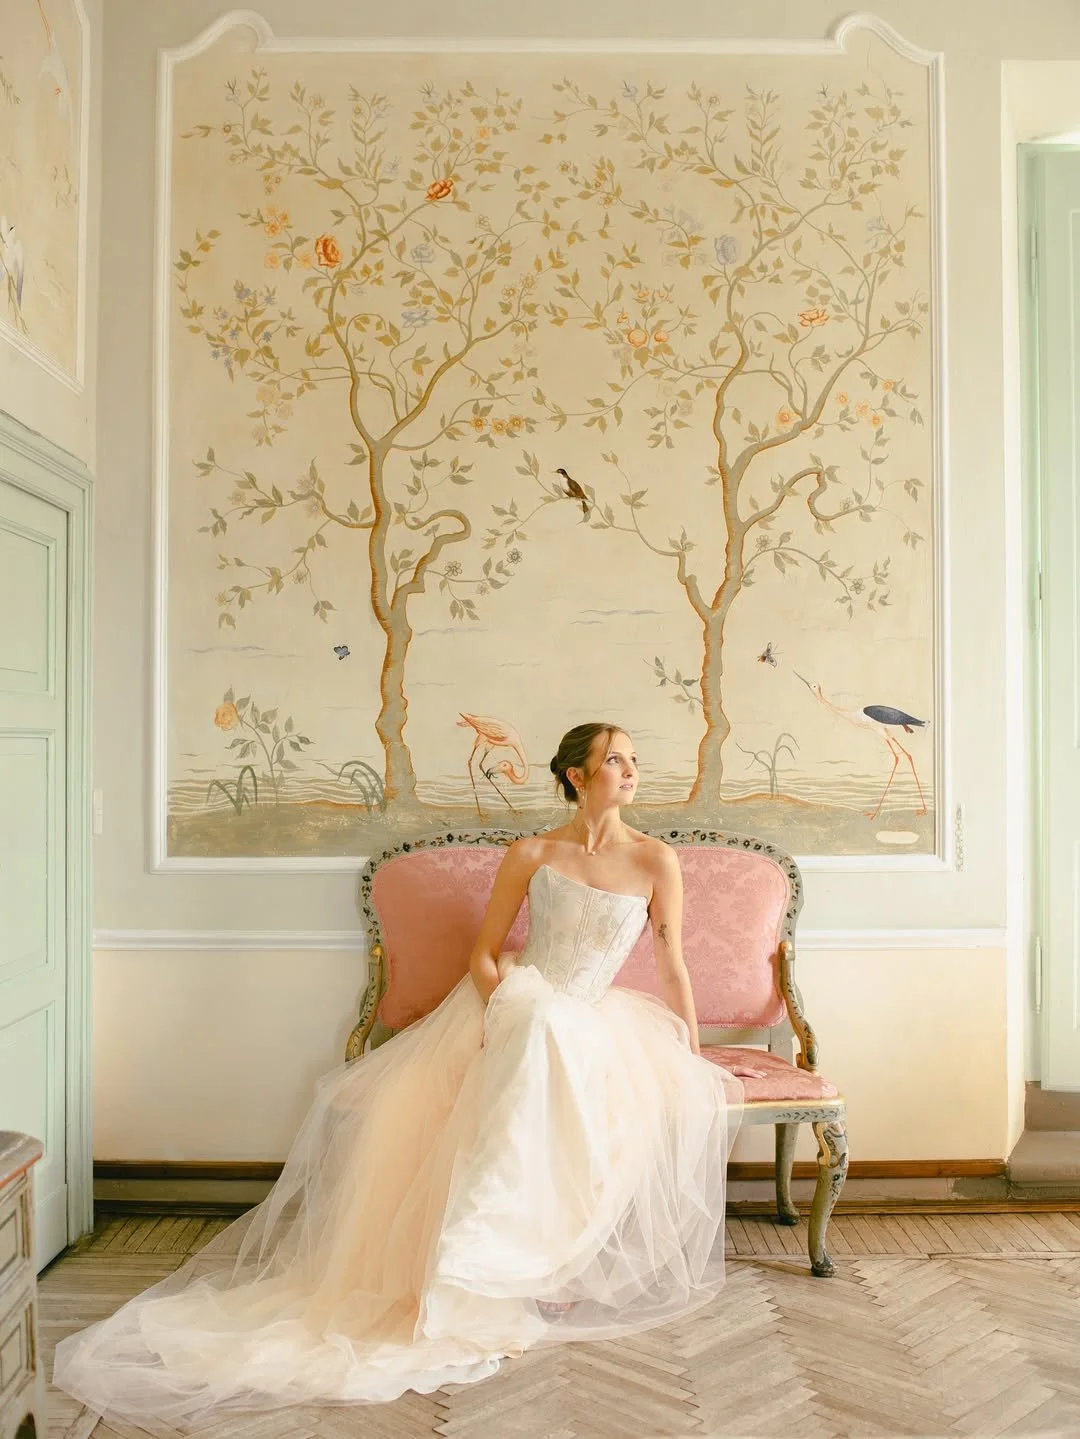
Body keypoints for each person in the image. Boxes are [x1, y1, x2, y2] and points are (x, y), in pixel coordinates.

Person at [54, 721, 755, 1428]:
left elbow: (672, 962)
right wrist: (502, 1009)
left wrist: (689, 1049)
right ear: (576, 774)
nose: (631, 771)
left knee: (557, 1036)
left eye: (635, 758)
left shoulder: (656, 860)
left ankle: (522, 1261)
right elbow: (486, 955)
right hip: (518, 1005)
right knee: (542, 1028)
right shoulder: (532, 853)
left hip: (595, 1020)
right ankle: (477, 1265)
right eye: (615, 759)